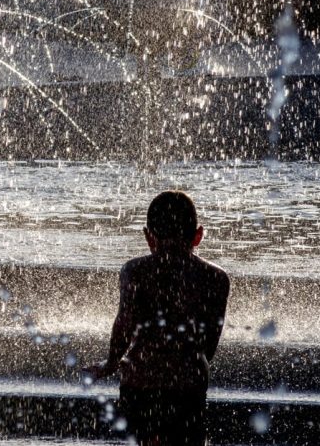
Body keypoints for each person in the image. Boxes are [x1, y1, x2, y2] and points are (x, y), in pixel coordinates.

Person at [84, 191, 230, 446]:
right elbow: (209, 346)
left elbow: (124, 324)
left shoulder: (135, 271)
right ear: (198, 235)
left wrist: (110, 363)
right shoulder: (215, 278)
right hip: (188, 387)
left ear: (148, 237)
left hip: (140, 383)